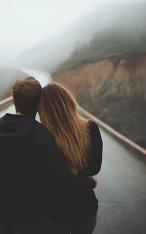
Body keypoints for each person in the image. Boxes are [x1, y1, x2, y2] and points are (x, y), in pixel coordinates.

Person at [0, 77, 97, 234]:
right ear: (39, 104)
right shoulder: (43, 135)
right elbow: (60, 178)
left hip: (2, 210)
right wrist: (90, 183)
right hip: (33, 215)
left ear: (14, 101)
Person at [38, 82, 103, 234]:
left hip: (53, 211)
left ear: (42, 108)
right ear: (69, 101)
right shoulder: (90, 127)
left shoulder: (40, 134)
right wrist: (86, 180)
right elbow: (94, 168)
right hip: (85, 208)